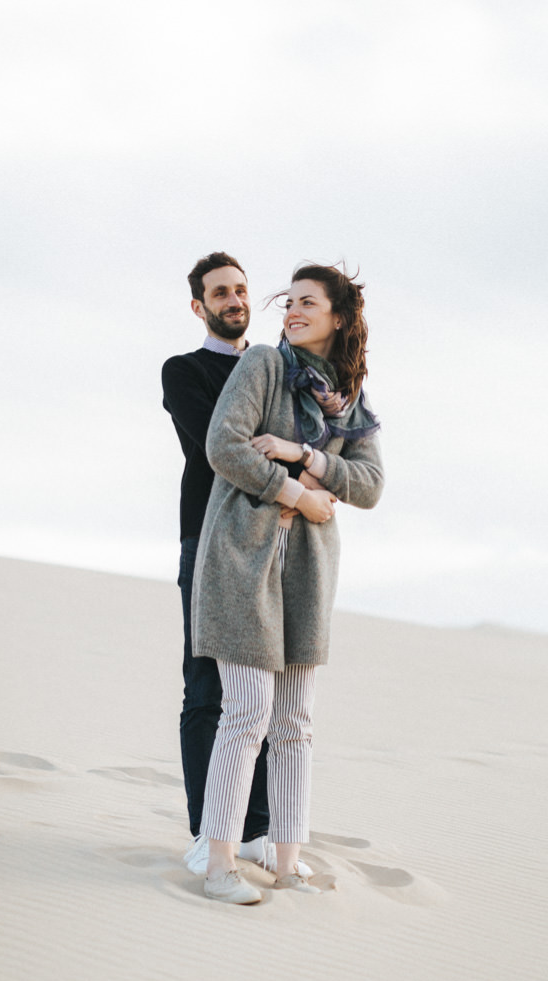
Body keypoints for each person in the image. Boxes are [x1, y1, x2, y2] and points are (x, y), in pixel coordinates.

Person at [191, 263, 384, 904]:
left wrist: (307, 456)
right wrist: (297, 493)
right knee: (244, 714)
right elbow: (225, 446)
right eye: (290, 302)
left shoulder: (350, 400)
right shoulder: (263, 368)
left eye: (308, 303)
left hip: (308, 571)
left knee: (296, 719)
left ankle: (287, 860)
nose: (293, 311)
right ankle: (219, 864)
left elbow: (370, 485)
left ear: (338, 317)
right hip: (242, 561)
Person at [162, 252, 281, 875]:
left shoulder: (276, 368)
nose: (234, 299)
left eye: (239, 289)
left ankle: (258, 831)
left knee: (260, 691)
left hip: (269, 543)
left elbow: (306, 439)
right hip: (206, 543)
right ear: (199, 306)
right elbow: (216, 448)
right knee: (206, 686)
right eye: (220, 292)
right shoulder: (183, 370)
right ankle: (207, 833)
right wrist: (281, 468)